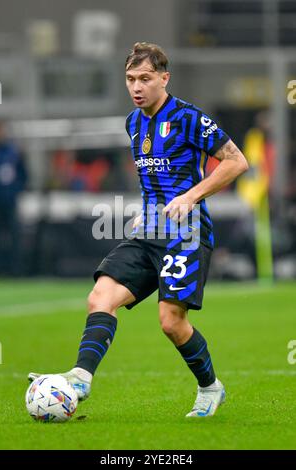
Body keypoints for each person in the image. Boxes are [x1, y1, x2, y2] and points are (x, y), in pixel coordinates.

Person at [29, 42, 248, 418]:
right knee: (100, 297)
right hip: (149, 231)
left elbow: (236, 161)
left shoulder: (188, 117)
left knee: (171, 322)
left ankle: (210, 388)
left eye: (145, 78)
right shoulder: (133, 122)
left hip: (187, 232)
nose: (137, 87)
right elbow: (154, 178)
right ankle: (81, 378)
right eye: (130, 79)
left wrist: (191, 197)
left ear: (165, 78)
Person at [0, 121, 28, 275]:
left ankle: (16, 270)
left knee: (14, 237)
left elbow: (23, 174)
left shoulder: (13, 152)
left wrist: (17, 190)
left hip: (10, 201)